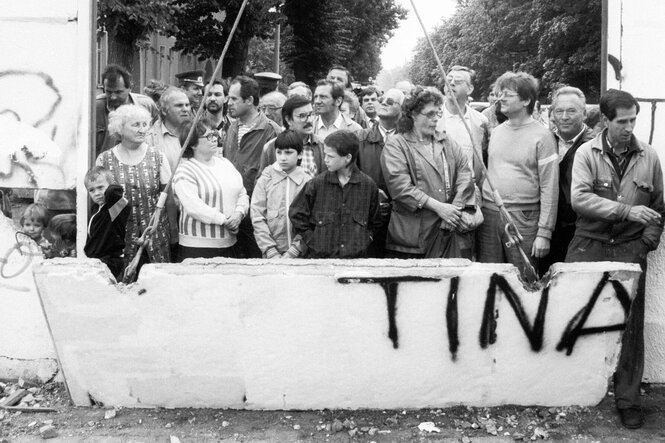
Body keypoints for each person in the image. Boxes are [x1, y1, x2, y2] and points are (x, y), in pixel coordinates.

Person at [566, 89, 664, 429]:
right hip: (588, 245)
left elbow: (659, 207)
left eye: (633, 120)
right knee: (576, 319)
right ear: (605, 121)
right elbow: (579, 199)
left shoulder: (649, 156)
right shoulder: (585, 153)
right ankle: (574, 393)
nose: (628, 127)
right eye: (621, 121)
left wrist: (645, 244)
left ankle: (628, 401)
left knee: (630, 328)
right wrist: (626, 210)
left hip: (629, 250)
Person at [477, 71, 558, 278]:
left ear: (526, 100)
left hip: (523, 218)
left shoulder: (543, 136)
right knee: (490, 280)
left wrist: (544, 233)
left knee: (524, 281)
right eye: (499, 93)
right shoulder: (496, 131)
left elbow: (550, 186)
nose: (500, 98)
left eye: (507, 94)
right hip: (490, 214)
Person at [380, 87, 476, 259]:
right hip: (410, 240)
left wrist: (454, 210)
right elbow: (400, 188)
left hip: (446, 233)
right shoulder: (396, 144)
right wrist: (439, 208)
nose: (435, 119)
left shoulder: (446, 141)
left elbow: (465, 175)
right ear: (413, 114)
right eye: (430, 114)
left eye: (438, 114)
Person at [97, 104, 172, 270]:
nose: (142, 130)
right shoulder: (105, 160)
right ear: (120, 129)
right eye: (136, 125)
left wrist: (172, 234)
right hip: (120, 241)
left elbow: (168, 198)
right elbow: (100, 203)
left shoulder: (157, 157)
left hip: (155, 238)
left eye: (145, 124)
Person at [290, 130, 381, 258]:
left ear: (348, 158)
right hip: (320, 260)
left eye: (331, 156)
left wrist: (366, 239)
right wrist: (312, 240)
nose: (325, 160)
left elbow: (375, 221)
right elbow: (297, 214)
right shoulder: (316, 184)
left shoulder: (368, 186)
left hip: (355, 260)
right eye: (325, 155)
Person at [223, 75, 281, 258]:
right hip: (232, 213)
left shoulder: (272, 131)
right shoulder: (231, 129)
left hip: (257, 218)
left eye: (233, 98)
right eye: (228, 98)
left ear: (249, 100)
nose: (228, 102)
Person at [172, 121, 249, 260]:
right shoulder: (185, 170)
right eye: (208, 136)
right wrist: (224, 221)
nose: (214, 138)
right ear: (193, 144)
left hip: (230, 243)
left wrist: (239, 213)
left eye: (214, 134)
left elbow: (242, 193)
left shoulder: (225, 163)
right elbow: (194, 207)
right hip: (198, 248)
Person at [539, 86, 594, 273]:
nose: (564, 117)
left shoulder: (594, 146)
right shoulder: (544, 141)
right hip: (546, 230)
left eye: (572, 111)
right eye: (559, 111)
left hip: (580, 233)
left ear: (584, 113)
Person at [357, 88, 405, 256]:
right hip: (368, 218)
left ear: (402, 109)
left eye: (390, 101)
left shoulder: (409, 140)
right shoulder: (360, 138)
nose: (383, 102)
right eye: (382, 99)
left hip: (403, 219)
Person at [146, 87, 192, 259]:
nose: (185, 109)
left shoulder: (197, 132)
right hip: (167, 211)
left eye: (187, 104)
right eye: (179, 105)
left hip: (193, 211)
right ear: (164, 110)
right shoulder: (150, 138)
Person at [251, 130, 312, 258]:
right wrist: (270, 250)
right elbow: (257, 216)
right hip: (271, 255)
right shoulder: (266, 179)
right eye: (279, 152)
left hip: (301, 255)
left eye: (289, 152)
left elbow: (311, 221)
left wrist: (295, 250)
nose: (283, 158)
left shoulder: (308, 182)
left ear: (300, 154)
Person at [436, 65, 489, 183]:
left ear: (470, 89)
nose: (452, 83)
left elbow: (484, 159)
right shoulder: (433, 118)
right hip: (440, 189)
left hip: (470, 187)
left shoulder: (480, 121)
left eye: (458, 81)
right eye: (448, 80)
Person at [95, 64, 159, 157]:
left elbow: (157, 135)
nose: (113, 97)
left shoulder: (146, 105)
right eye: (108, 91)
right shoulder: (95, 108)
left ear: (129, 88)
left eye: (118, 92)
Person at [260, 95, 327, 177]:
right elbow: (262, 181)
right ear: (288, 120)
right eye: (302, 116)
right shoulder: (271, 147)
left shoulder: (323, 146)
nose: (309, 120)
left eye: (311, 114)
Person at [83, 166, 130, 280]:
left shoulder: (114, 209)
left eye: (100, 188)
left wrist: (110, 186)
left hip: (111, 262)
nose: (97, 193)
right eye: (92, 190)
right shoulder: (96, 210)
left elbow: (115, 192)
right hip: (96, 261)